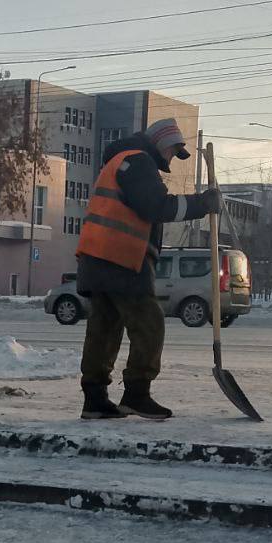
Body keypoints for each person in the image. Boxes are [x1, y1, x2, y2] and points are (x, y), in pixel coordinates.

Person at [75, 118, 222, 419]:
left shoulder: (120, 161)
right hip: (121, 257)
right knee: (149, 323)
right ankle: (136, 394)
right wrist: (202, 204)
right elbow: (156, 206)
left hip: (97, 256)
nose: (172, 159)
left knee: (104, 327)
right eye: (173, 152)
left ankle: (95, 399)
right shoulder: (138, 162)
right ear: (162, 144)